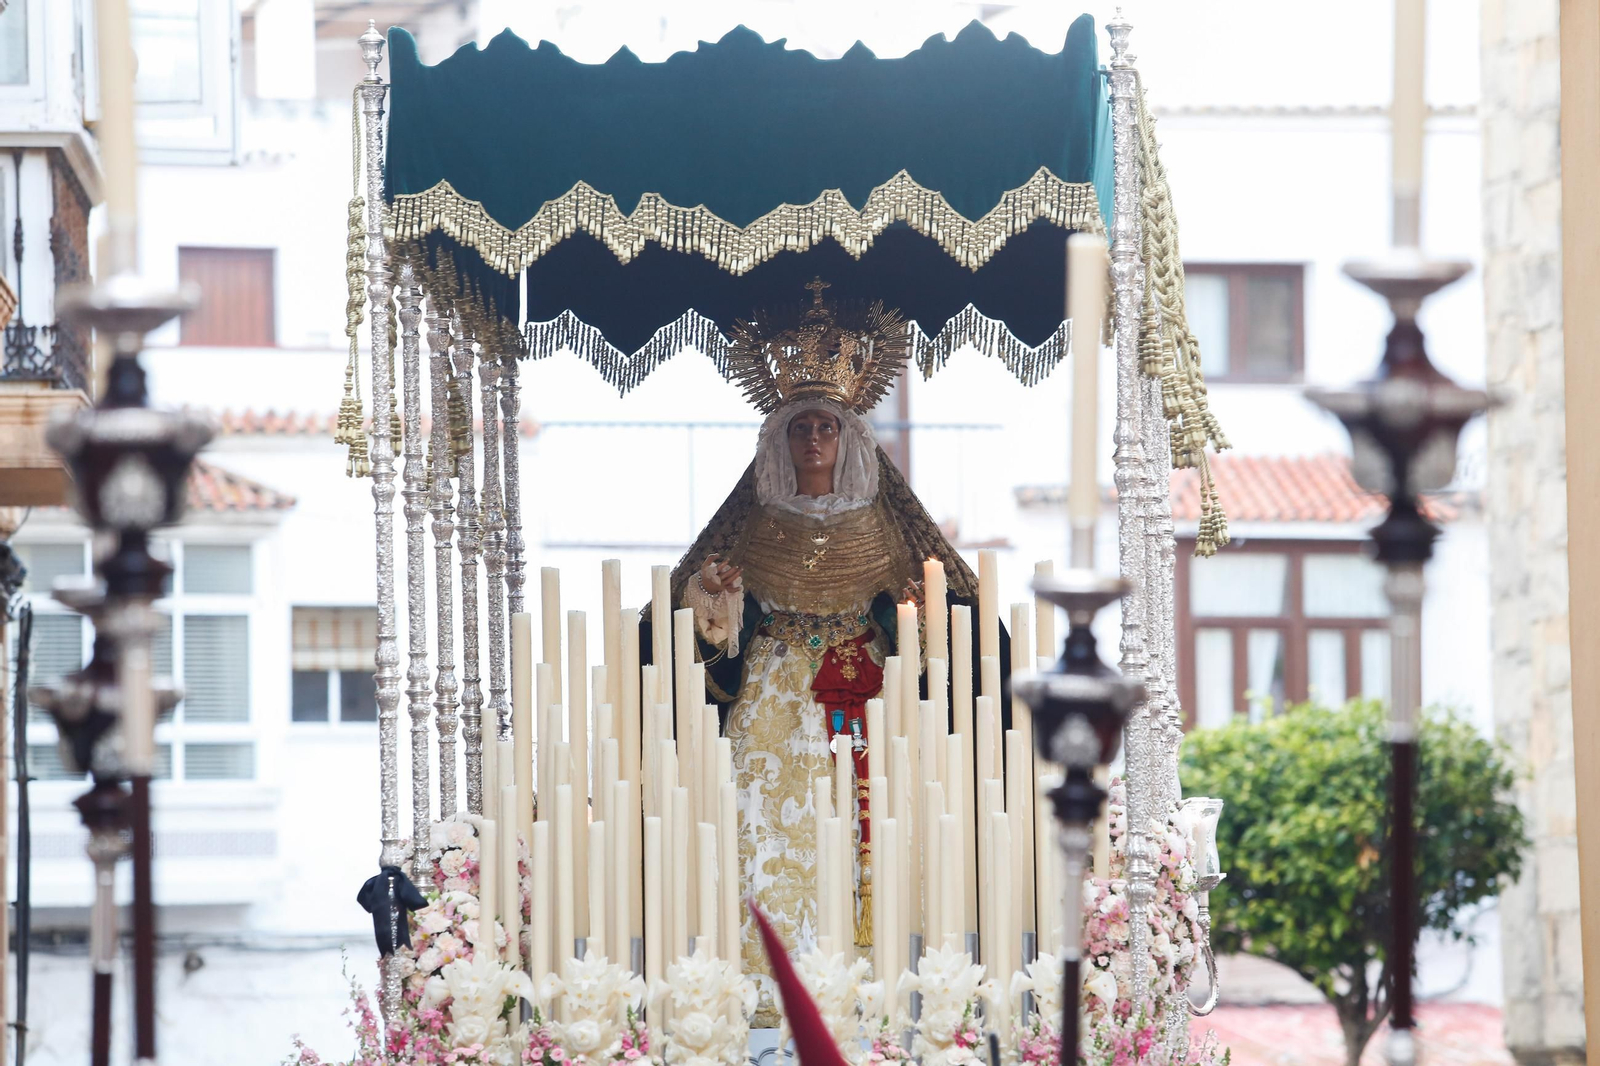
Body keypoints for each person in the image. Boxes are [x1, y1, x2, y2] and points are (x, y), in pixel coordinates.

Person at [642, 280, 1008, 1021]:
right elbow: (693, 635)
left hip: (868, 712)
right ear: (779, 440)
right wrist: (712, 611)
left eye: (827, 427)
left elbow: (946, 621)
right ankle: (763, 997)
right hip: (770, 714)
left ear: (850, 438)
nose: (813, 440)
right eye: (800, 427)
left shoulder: (886, 526)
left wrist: (922, 624)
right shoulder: (751, 526)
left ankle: (870, 997)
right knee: (759, 837)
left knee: (871, 845)